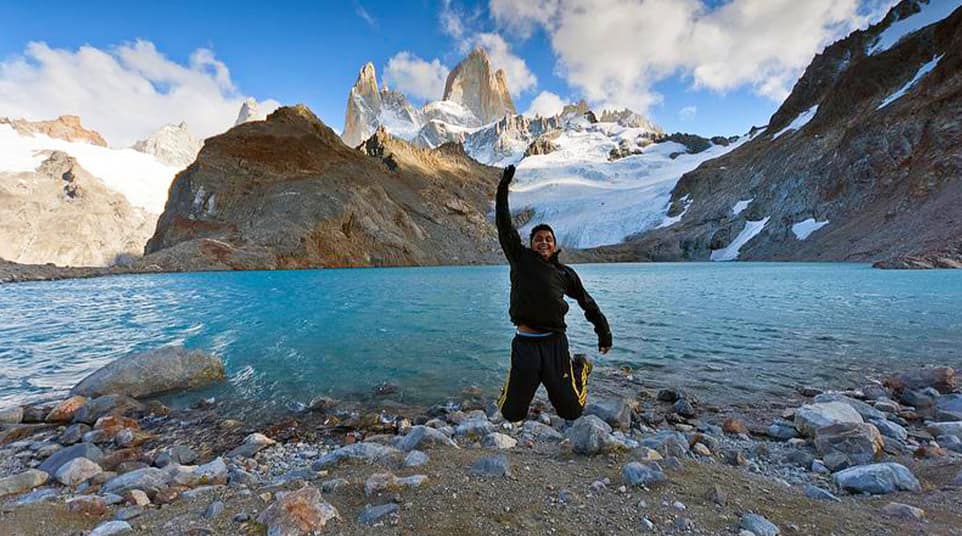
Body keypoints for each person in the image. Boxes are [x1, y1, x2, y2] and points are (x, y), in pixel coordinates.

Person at [495, 164, 612, 421]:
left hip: (555, 344)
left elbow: (586, 302)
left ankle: (580, 367)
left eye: (548, 238)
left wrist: (603, 331)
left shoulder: (565, 273)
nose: (544, 241)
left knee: (572, 411)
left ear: (555, 245)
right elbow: (504, 225)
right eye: (538, 238)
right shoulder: (520, 258)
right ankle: (514, 378)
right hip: (525, 344)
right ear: (531, 244)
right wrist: (503, 187)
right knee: (511, 414)